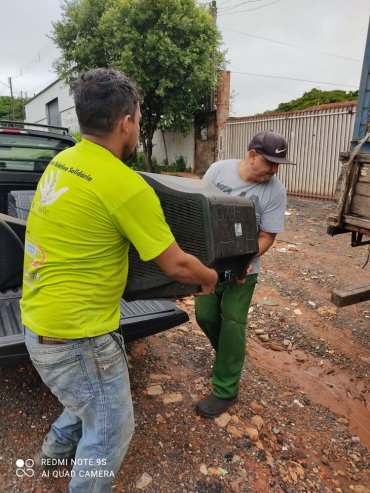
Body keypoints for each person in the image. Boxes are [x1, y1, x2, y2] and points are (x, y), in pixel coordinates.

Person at [20, 68, 217, 493]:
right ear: (126, 120)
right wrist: (210, 276)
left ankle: (54, 455)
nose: (138, 126)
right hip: (78, 339)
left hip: (38, 323)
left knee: (89, 398)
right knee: (110, 432)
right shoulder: (125, 185)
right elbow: (177, 266)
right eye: (140, 118)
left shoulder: (62, 163)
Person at [195, 130, 296, 417]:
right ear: (252, 155)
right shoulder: (218, 171)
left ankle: (226, 388)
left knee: (232, 321)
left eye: (278, 166)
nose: (274, 171)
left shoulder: (275, 190)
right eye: (270, 164)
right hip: (211, 262)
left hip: (245, 267)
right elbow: (201, 210)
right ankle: (228, 356)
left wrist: (245, 259)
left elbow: (267, 236)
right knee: (204, 314)